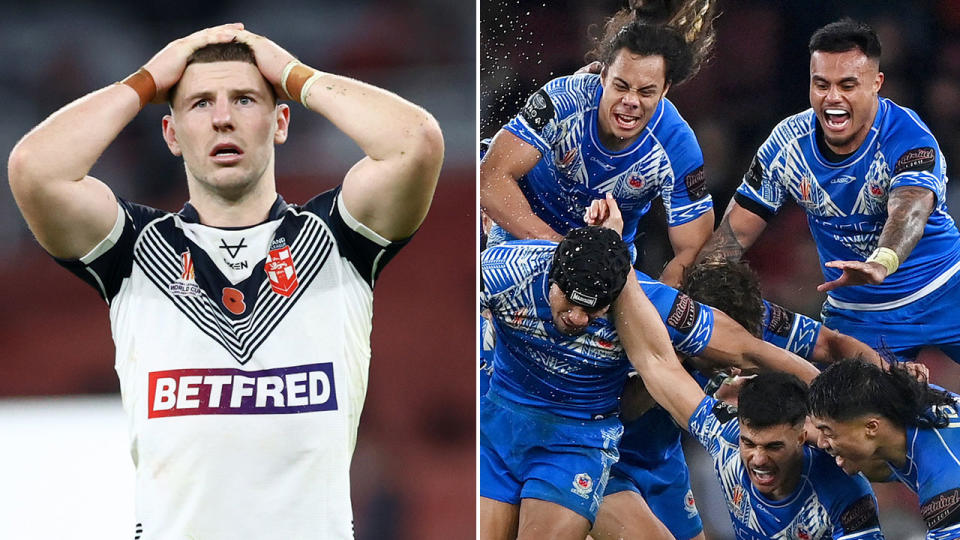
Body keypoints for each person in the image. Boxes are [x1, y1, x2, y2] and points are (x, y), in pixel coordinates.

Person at [7, 24, 443, 538]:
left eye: (244, 100)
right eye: (199, 104)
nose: (222, 119)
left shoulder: (336, 240)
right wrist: (148, 80)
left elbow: (415, 143)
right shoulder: (135, 250)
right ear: (170, 134)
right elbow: (35, 169)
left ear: (281, 122)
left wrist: (294, 75)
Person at [479, 214, 817, 539]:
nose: (579, 318)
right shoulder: (506, 270)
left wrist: (829, 407)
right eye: (569, 303)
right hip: (498, 429)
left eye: (593, 309)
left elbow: (748, 349)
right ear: (552, 277)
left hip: (576, 444)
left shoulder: (647, 303)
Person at [698, 18, 960, 362]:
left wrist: (882, 261)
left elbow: (910, 206)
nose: (832, 98)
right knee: (848, 414)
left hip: (944, 290)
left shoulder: (909, 136)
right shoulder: (787, 146)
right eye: (821, 84)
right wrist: (689, 294)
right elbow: (734, 234)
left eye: (848, 85)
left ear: (876, 84)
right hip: (858, 313)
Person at [613, 270, 885, 539]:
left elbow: (831, 343)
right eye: (750, 444)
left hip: (664, 463)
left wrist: (838, 422)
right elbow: (652, 368)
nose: (758, 458)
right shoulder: (723, 433)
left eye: (774, 446)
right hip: (615, 454)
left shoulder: (844, 492)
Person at [479, 1, 717, 285]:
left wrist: (652, 318)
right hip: (522, 239)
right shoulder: (564, 99)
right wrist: (562, 251)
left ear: (665, 90)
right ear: (603, 76)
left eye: (646, 92)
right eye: (621, 86)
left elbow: (692, 251)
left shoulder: (678, 146)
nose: (630, 101)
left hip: (604, 269)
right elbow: (489, 179)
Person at [809, 359, 960, 537]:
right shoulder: (904, 404)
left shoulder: (943, 486)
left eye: (828, 432)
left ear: (871, 428)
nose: (821, 442)